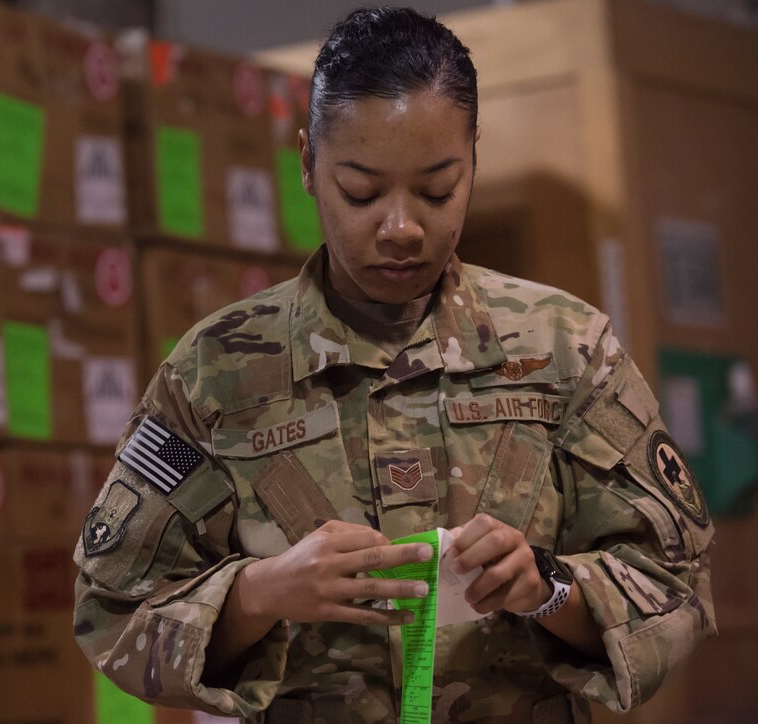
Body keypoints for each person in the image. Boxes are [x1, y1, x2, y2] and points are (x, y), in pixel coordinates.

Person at [73, 7, 716, 722]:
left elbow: (679, 584)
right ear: (309, 166)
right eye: (363, 191)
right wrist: (260, 593)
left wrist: (550, 587)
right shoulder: (217, 372)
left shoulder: (564, 350)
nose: (402, 227)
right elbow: (112, 611)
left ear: (474, 157)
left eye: (438, 190)